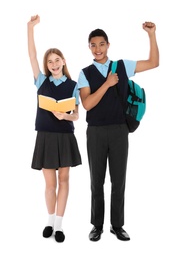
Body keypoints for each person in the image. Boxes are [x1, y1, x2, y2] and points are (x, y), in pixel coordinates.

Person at [77, 22, 159, 242]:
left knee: (119, 180)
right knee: (96, 181)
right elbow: (86, 104)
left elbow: (153, 62)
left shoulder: (122, 66)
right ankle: (97, 225)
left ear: (108, 45)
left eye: (101, 44)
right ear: (89, 47)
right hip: (94, 131)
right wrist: (107, 84)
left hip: (119, 131)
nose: (98, 49)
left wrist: (151, 35)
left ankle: (117, 225)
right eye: (93, 45)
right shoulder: (84, 74)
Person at [27, 15, 82, 243]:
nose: (54, 64)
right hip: (46, 137)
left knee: (65, 180)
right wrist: (30, 28)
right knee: (50, 184)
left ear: (63, 61)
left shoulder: (73, 86)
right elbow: (31, 55)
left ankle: (59, 226)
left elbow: (77, 115)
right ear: (46, 66)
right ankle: (49, 221)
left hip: (65, 137)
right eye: (50, 62)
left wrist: (67, 115)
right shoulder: (41, 82)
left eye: (57, 60)